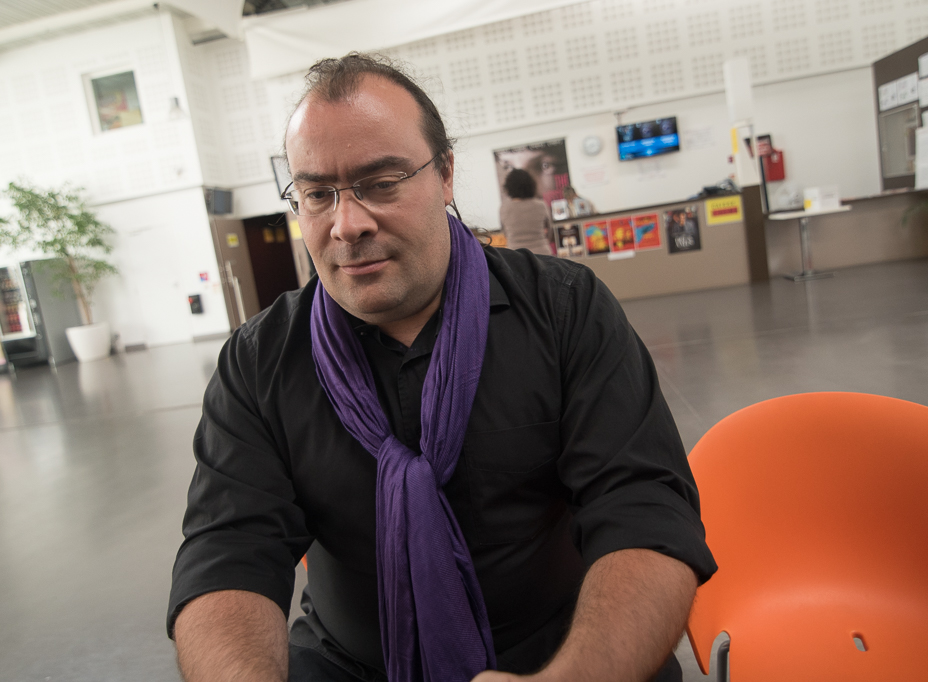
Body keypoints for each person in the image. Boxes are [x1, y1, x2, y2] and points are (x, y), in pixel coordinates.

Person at [169, 53, 716, 682]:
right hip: (352, 663)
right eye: (318, 194)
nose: (347, 224)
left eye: (382, 182)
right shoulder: (259, 361)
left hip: (566, 652)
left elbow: (643, 507)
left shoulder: (565, 311)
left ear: (446, 173)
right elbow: (227, 552)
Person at [499, 169, 552, 256]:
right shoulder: (541, 205)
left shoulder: (504, 208)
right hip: (542, 255)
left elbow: (505, 234)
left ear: (508, 187)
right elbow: (549, 232)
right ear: (531, 185)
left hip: (516, 256)